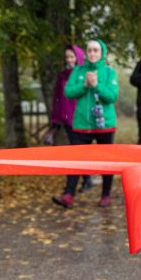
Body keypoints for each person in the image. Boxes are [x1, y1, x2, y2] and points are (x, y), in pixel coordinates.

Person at [52, 39, 119, 209]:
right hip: (81, 124)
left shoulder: (109, 72)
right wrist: (84, 85)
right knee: (76, 160)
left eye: (96, 50)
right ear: (86, 53)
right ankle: (68, 194)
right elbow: (68, 92)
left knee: (106, 162)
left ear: (102, 52)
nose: (93, 53)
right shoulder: (78, 71)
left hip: (105, 125)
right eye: (89, 50)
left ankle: (105, 195)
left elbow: (112, 96)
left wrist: (96, 86)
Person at [48, 45, 92, 195]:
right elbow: (58, 98)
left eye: (72, 57)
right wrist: (55, 119)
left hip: (80, 118)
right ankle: (85, 179)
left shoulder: (84, 74)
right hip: (66, 118)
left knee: (77, 151)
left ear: (78, 57)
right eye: (67, 57)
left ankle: (78, 184)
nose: (69, 60)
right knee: (75, 151)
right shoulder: (62, 76)